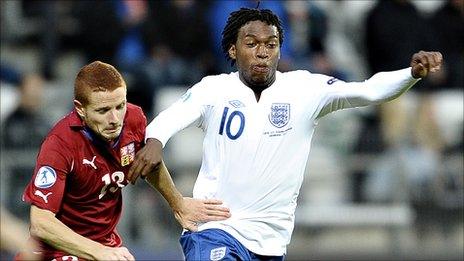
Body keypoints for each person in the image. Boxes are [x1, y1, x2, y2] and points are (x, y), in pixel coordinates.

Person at [127, 8, 443, 260]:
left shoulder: (305, 89)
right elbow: (166, 121)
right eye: (251, 44)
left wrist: (410, 73)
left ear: (280, 49)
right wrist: (154, 142)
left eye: (271, 44)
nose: (262, 52)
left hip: (272, 241)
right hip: (215, 228)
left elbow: (369, 92)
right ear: (233, 50)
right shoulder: (214, 90)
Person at [20, 61, 231, 261]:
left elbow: (148, 165)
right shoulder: (59, 145)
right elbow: (41, 223)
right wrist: (98, 252)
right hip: (55, 251)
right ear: (80, 108)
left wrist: (178, 204)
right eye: (103, 111)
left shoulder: (133, 118)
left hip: (105, 244)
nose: (114, 119)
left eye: (120, 106)